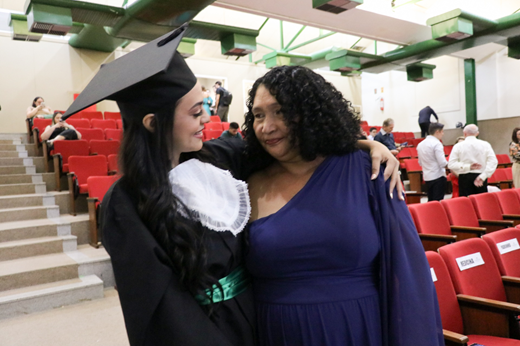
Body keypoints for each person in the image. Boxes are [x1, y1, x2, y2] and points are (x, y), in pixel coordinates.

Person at [59, 26, 402, 346]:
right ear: (153, 122)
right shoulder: (126, 204)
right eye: (196, 112)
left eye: (206, 107)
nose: (207, 118)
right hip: (206, 331)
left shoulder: (219, 159)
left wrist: (367, 145)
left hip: (262, 317)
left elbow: (297, 143)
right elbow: (161, 305)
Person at [244, 65, 443, 346]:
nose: (267, 126)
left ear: (309, 112)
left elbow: (407, 272)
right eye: (258, 115)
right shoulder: (246, 182)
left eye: (280, 111)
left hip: (356, 328)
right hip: (276, 332)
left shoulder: (370, 170)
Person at [448, 124, 497, 197]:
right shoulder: (485, 144)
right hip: (481, 176)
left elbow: (451, 164)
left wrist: (468, 167)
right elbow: (493, 162)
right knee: (481, 202)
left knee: (466, 204)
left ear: (464, 133)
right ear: (477, 133)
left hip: (464, 178)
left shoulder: (458, 146)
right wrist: (483, 176)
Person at [417, 123, 448, 201]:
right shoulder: (437, 144)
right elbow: (443, 163)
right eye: (442, 132)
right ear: (437, 132)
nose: (443, 134)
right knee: (438, 201)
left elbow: (420, 162)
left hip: (427, 176)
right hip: (438, 176)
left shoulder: (420, 144)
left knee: (431, 200)